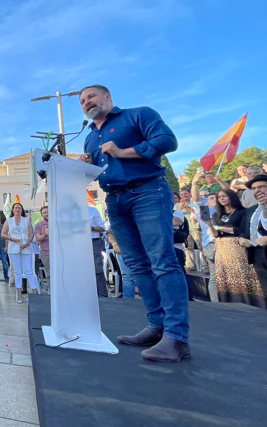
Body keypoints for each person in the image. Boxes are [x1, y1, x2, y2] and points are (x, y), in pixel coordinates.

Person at [78, 84, 190, 362]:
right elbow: (96, 174)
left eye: (91, 96)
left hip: (147, 192)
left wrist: (123, 151)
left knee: (162, 260)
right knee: (138, 265)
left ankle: (177, 338)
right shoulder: (90, 138)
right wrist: (86, 167)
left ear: (107, 97)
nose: (86, 102)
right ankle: (156, 326)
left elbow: (167, 141)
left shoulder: (138, 115)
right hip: (115, 201)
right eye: (81, 101)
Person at [208, 189, 260, 307]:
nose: (221, 198)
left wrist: (220, 228)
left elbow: (242, 230)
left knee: (241, 276)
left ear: (232, 197)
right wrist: (210, 225)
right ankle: (230, 304)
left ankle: (249, 303)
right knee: (225, 278)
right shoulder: (217, 214)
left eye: (224, 196)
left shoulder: (243, 212)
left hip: (238, 246)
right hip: (222, 247)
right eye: (219, 197)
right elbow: (216, 234)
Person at [2, 203, 40, 303]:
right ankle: (19, 294)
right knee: (17, 272)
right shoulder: (9, 221)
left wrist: (27, 243)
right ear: (13, 210)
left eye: (19, 208)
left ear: (22, 210)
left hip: (26, 247)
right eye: (16, 208)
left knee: (29, 271)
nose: (18, 209)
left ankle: (35, 293)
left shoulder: (26, 220)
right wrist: (11, 238)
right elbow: (3, 233)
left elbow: (31, 233)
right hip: (13, 248)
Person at [242, 175, 267, 309]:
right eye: (254, 188)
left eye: (261, 186)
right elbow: (244, 229)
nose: (257, 190)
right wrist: (242, 238)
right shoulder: (252, 210)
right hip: (257, 255)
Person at [89, 204, 109, 297]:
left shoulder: (93, 210)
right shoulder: (71, 212)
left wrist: (92, 228)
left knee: (98, 269)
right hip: (77, 243)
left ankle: (103, 296)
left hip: (93, 242)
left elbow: (102, 228)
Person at [34, 206, 50, 293]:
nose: (46, 214)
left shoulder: (56, 222)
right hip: (45, 254)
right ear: (41, 214)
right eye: (44, 213)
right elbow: (37, 238)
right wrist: (45, 234)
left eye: (48, 212)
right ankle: (50, 291)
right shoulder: (38, 225)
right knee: (49, 274)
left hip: (58, 254)